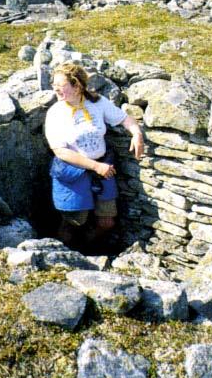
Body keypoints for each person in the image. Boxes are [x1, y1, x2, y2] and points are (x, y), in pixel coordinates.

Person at [44, 62, 144, 249]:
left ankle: (88, 249)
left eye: (61, 84)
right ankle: (66, 255)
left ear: (77, 86)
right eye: (54, 84)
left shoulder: (97, 103)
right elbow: (60, 151)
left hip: (103, 168)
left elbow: (123, 118)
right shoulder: (55, 113)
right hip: (72, 172)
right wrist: (95, 166)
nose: (55, 89)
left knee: (107, 223)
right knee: (74, 221)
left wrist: (137, 134)